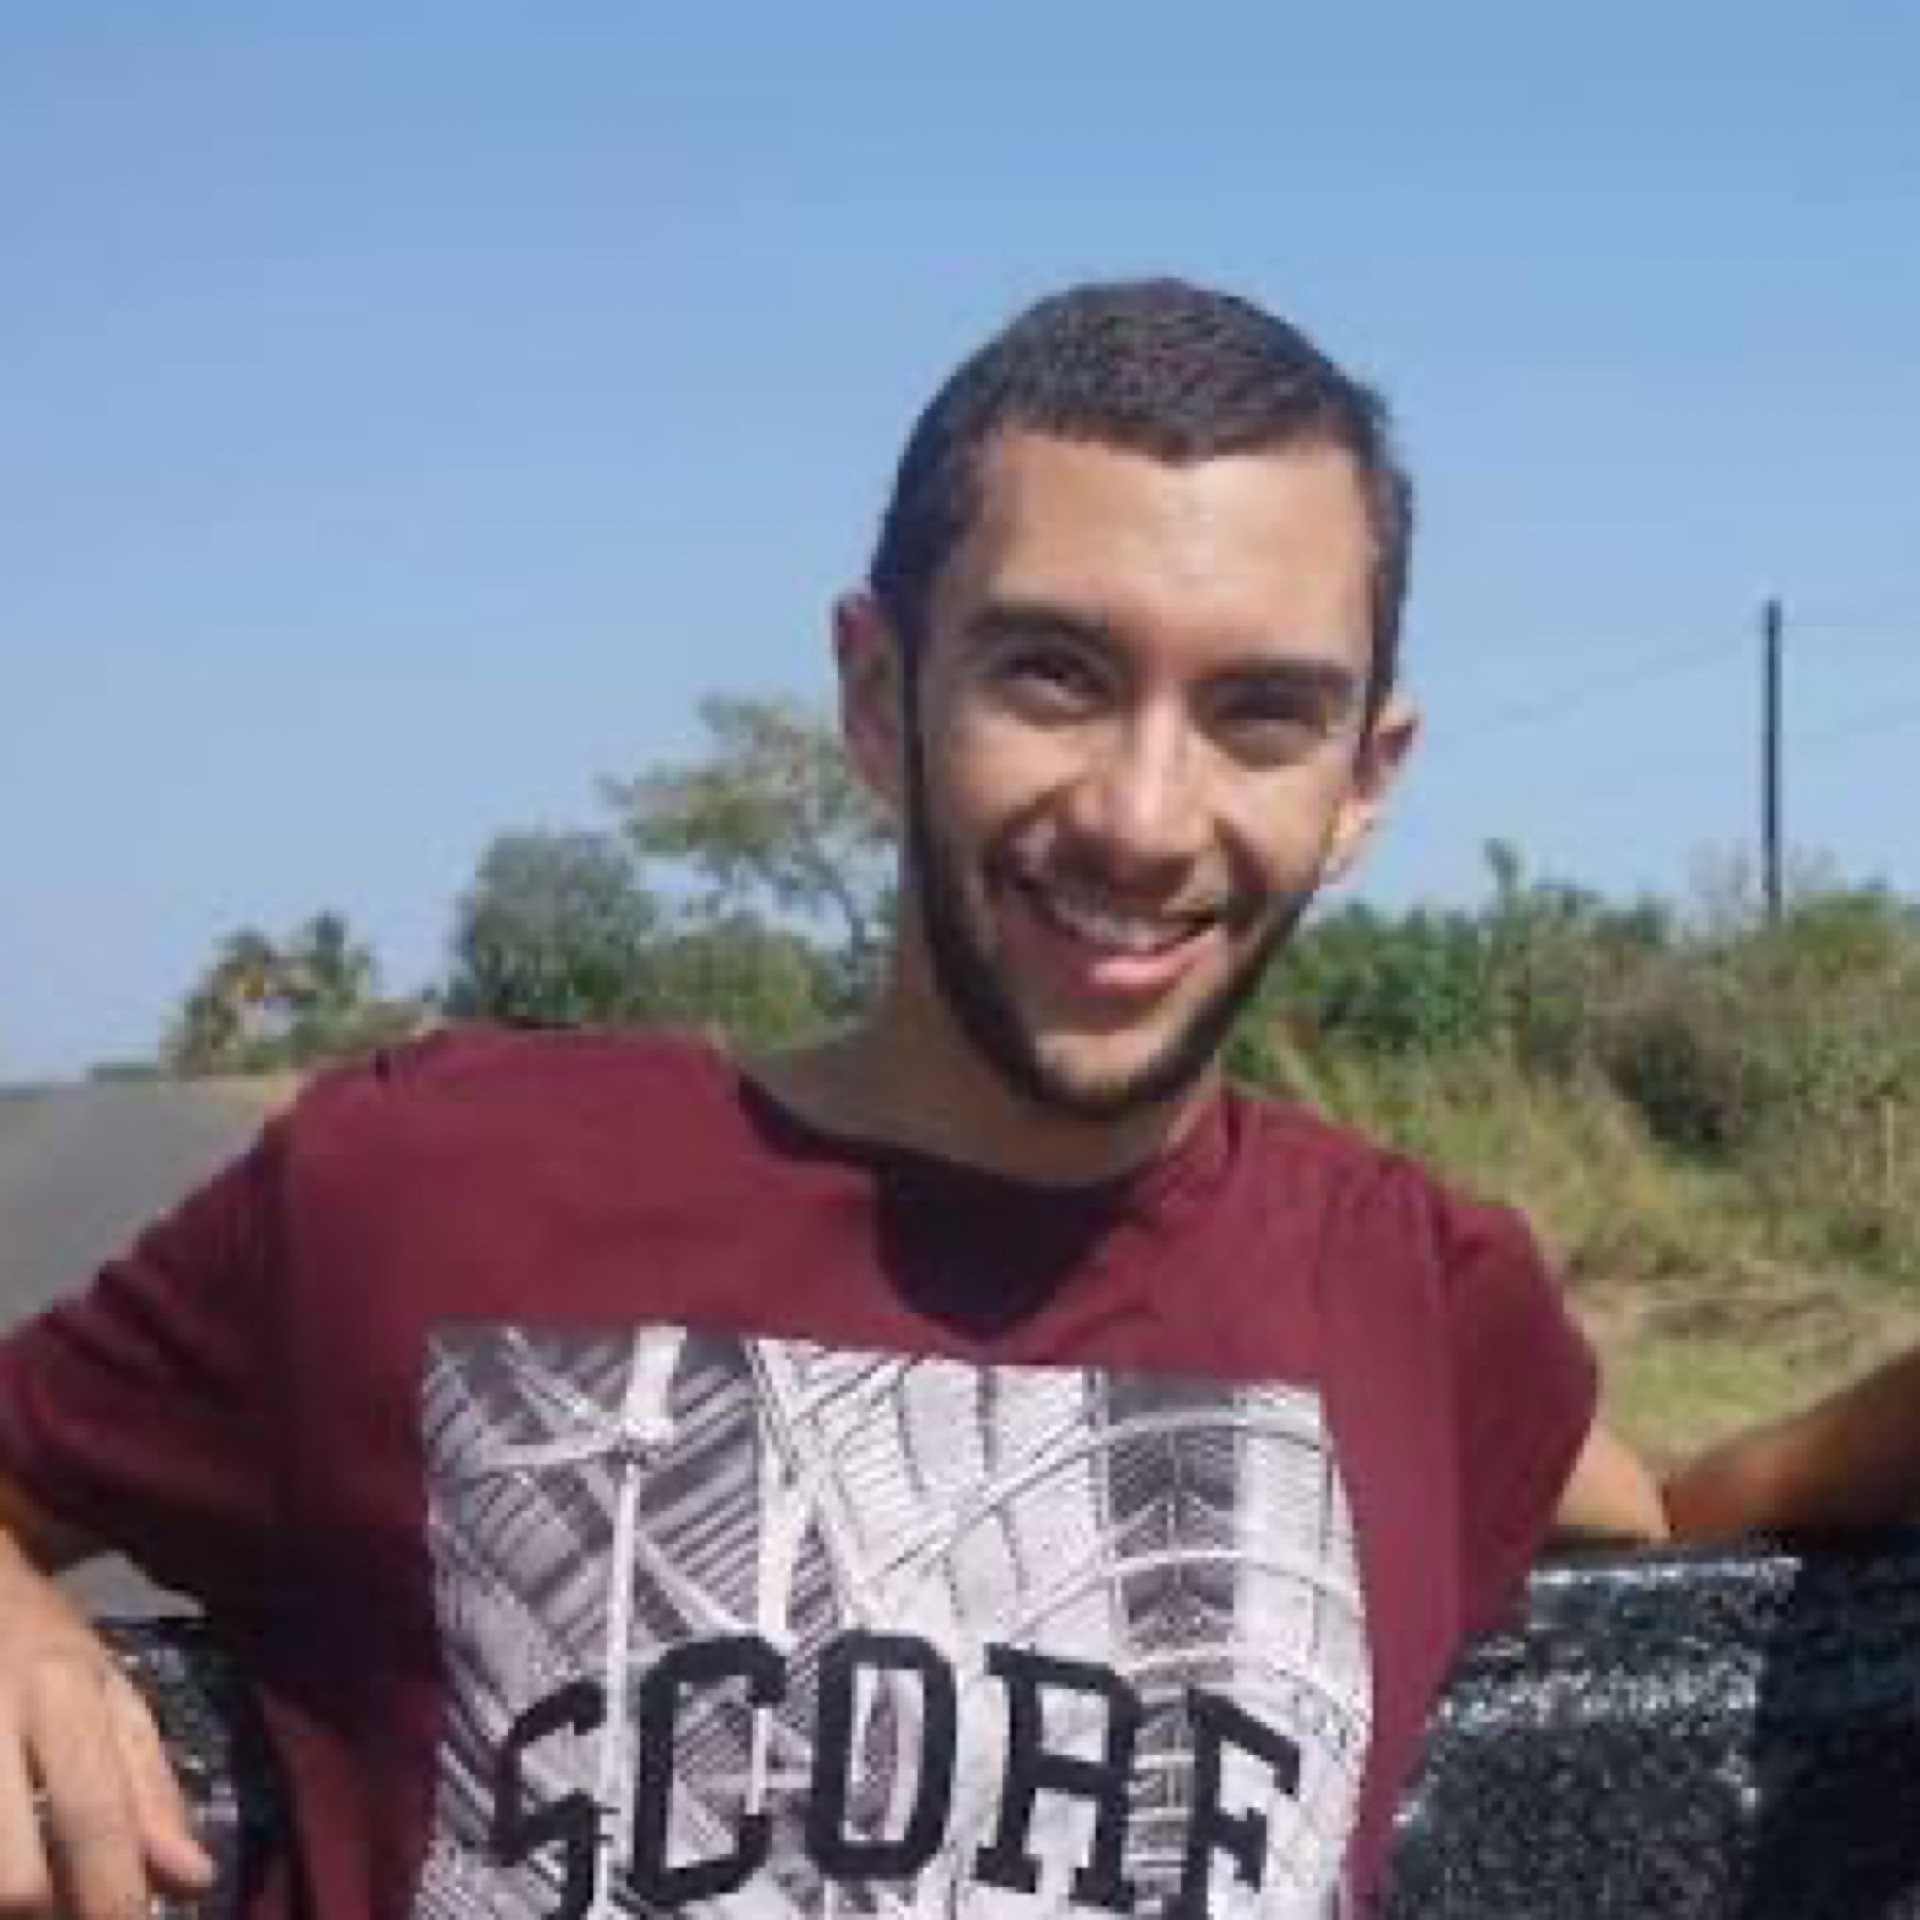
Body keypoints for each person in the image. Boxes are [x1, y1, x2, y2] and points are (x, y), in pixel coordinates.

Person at [0, 277, 1912, 1920]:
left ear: (1362, 784)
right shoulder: (421, 1184)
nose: (1144, 816)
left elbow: (1677, 1516)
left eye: (1260, 712)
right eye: (1053, 675)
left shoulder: (1422, 1297)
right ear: (875, 692)